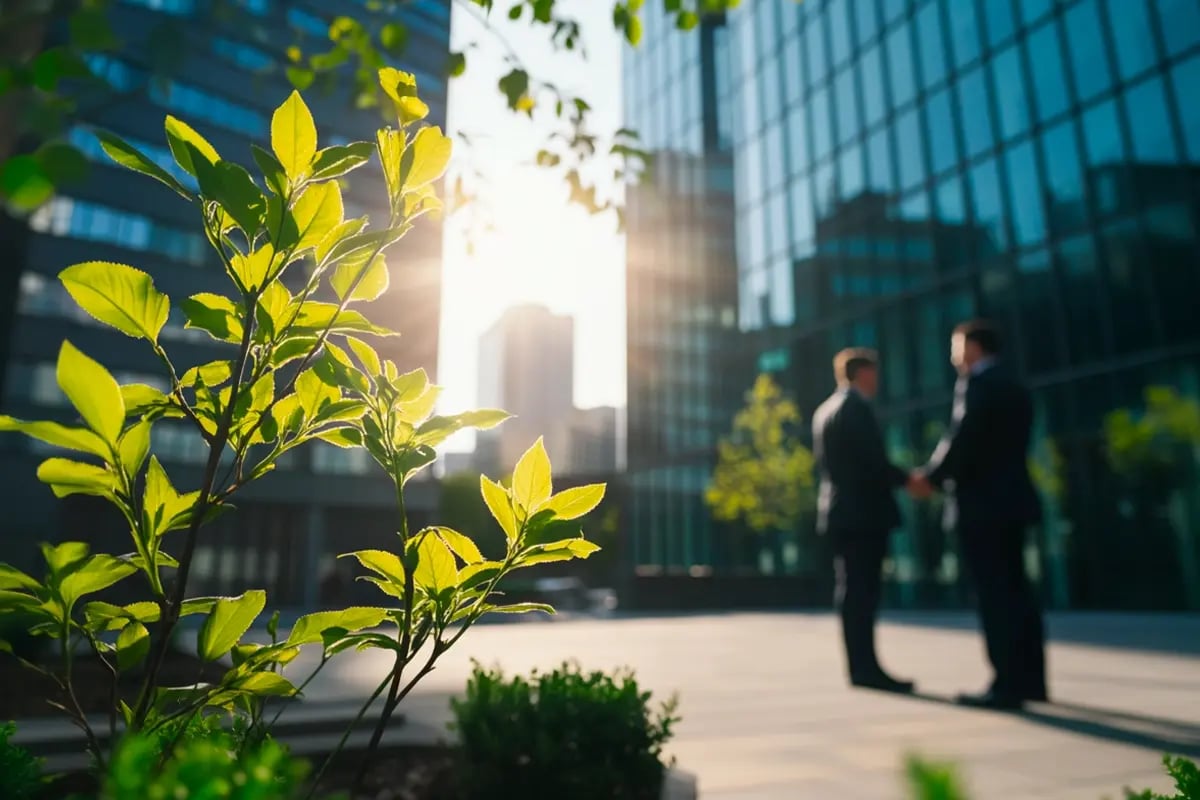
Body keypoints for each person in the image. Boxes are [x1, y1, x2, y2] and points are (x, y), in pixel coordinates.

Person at [911, 320, 1048, 710]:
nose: (954, 357)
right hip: (1014, 502)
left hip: (982, 508)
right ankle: (1031, 680)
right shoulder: (1015, 384)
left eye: (957, 348)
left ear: (973, 348)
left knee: (994, 595)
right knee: (1019, 591)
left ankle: (1006, 685)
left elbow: (962, 438)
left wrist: (931, 479)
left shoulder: (977, 384)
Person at [813, 348, 926, 693]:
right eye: (874, 374)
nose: (877, 381)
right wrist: (909, 480)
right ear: (863, 374)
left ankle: (861, 666)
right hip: (863, 515)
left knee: (851, 590)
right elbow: (872, 462)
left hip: (839, 513)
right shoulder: (856, 409)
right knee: (863, 592)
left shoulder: (825, 410)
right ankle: (866, 669)